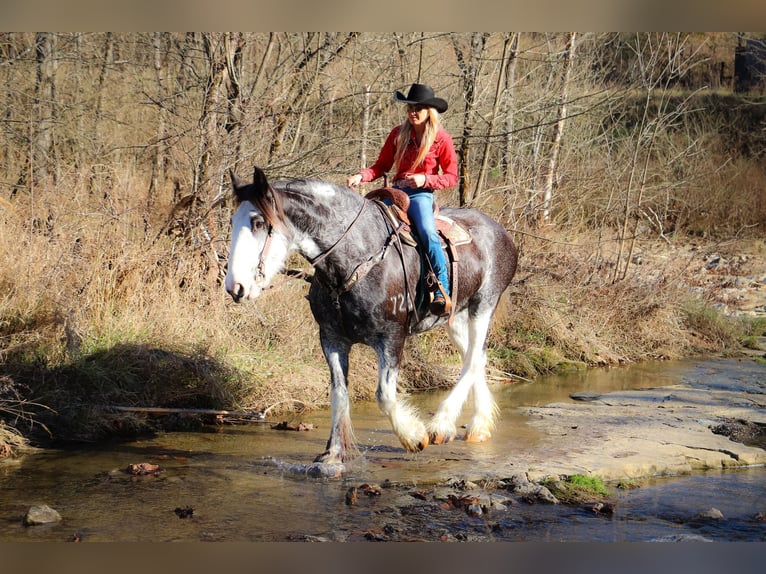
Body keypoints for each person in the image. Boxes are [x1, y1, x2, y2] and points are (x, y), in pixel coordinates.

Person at [347, 83, 458, 316]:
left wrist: (425, 179)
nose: (412, 112)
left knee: (427, 231)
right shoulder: (398, 134)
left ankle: (441, 287)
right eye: (409, 107)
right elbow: (381, 166)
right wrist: (362, 176)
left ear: (430, 111)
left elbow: (451, 177)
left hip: (420, 195)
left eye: (418, 108)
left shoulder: (441, 140)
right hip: (394, 192)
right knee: (363, 222)